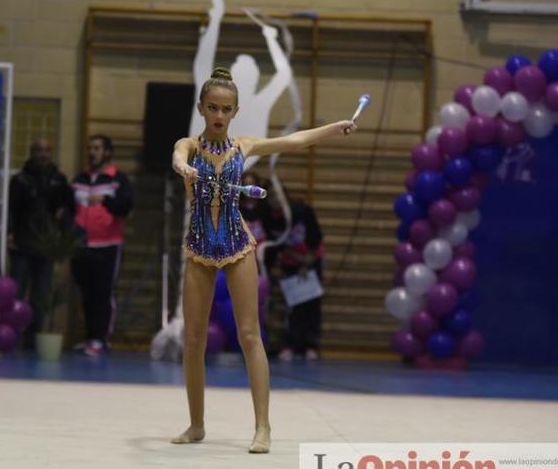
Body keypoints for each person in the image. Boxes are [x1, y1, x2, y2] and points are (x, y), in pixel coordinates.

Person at [170, 67, 355, 453]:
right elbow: (177, 155)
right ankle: (196, 424)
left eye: (226, 109)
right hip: (200, 248)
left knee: (250, 334)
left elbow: (295, 141)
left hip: (237, 246)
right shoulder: (188, 144)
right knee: (193, 340)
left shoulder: (245, 147)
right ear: (201, 108)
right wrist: (183, 167)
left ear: (235, 112)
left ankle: (263, 427)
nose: (219, 115)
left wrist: (333, 128)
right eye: (212, 107)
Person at [7, 137, 74, 345]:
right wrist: (9, 234)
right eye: (38, 150)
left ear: (51, 153)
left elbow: (69, 211)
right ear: (31, 152)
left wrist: (63, 241)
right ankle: (12, 336)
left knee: (40, 298)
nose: (42, 154)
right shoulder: (19, 180)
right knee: (16, 295)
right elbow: (11, 211)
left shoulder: (60, 181)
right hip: (22, 246)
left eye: (46, 150)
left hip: (46, 249)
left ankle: (32, 339)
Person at [71, 134, 133, 356]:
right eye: (90, 148)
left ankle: (101, 339)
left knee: (103, 294)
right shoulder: (80, 178)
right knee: (86, 293)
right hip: (82, 245)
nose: (92, 152)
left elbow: (125, 206)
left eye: (97, 148)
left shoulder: (118, 179)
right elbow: (70, 209)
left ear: (107, 152)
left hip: (108, 244)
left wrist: (106, 201)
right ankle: (90, 337)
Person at [265, 188, 324, 361]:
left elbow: (316, 235)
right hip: (290, 263)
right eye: (270, 198)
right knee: (293, 306)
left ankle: (311, 345)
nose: (274, 200)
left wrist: (308, 260)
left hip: (312, 259)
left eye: (277, 195)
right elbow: (276, 246)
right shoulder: (270, 219)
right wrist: (294, 259)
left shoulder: (301, 211)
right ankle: (292, 344)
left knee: (311, 304)